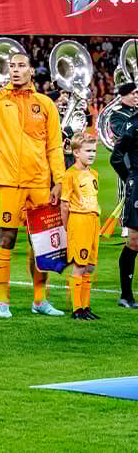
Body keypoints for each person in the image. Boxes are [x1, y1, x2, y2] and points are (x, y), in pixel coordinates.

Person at [0, 52, 65, 318]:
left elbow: (55, 146)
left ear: (31, 71)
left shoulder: (45, 104)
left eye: (21, 66)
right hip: (8, 182)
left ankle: (40, 300)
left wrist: (58, 180)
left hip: (39, 183)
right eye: (11, 66)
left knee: (43, 243)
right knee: (6, 238)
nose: (15, 70)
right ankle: (2, 302)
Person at [61, 133, 101, 320]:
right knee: (79, 264)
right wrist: (66, 226)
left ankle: (85, 307)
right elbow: (64, 203)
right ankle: (76, 308)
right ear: (76, 153)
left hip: (93, 220)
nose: (92, 154)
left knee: (90, 266)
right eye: (88, 151)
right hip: (79, 220)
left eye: (94, 150)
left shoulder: (94, 174)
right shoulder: (70, 175)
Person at [110, 82, 138, 308]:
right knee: (134, 241)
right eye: (134, 93)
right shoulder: (129, 122)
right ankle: (126, 295)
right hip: (136, 183)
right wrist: (130, 178)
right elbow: (116, 156)